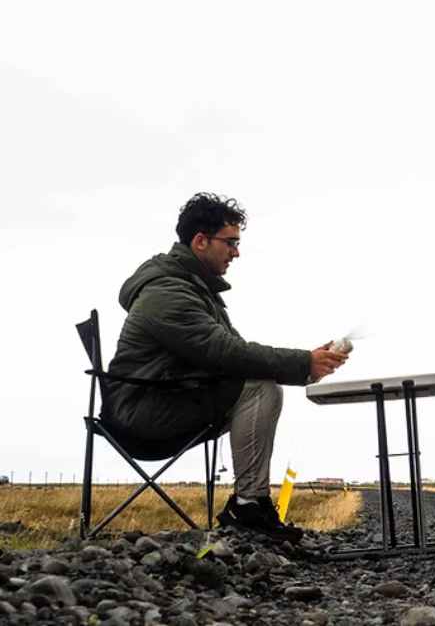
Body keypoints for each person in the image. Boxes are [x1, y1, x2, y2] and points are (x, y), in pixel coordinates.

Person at [106, 192, 349, 542]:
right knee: (260, 388)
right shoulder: (167, 293)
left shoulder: (192, 289)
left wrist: (308, 362)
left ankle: (252, 504)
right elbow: (225, 352)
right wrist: (303, 363)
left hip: (166, 398)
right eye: (231, 242)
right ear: (201, 241)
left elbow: (231, 354)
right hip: (142, 413)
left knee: (259, 383)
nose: (236, 252)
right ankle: (248, 507)